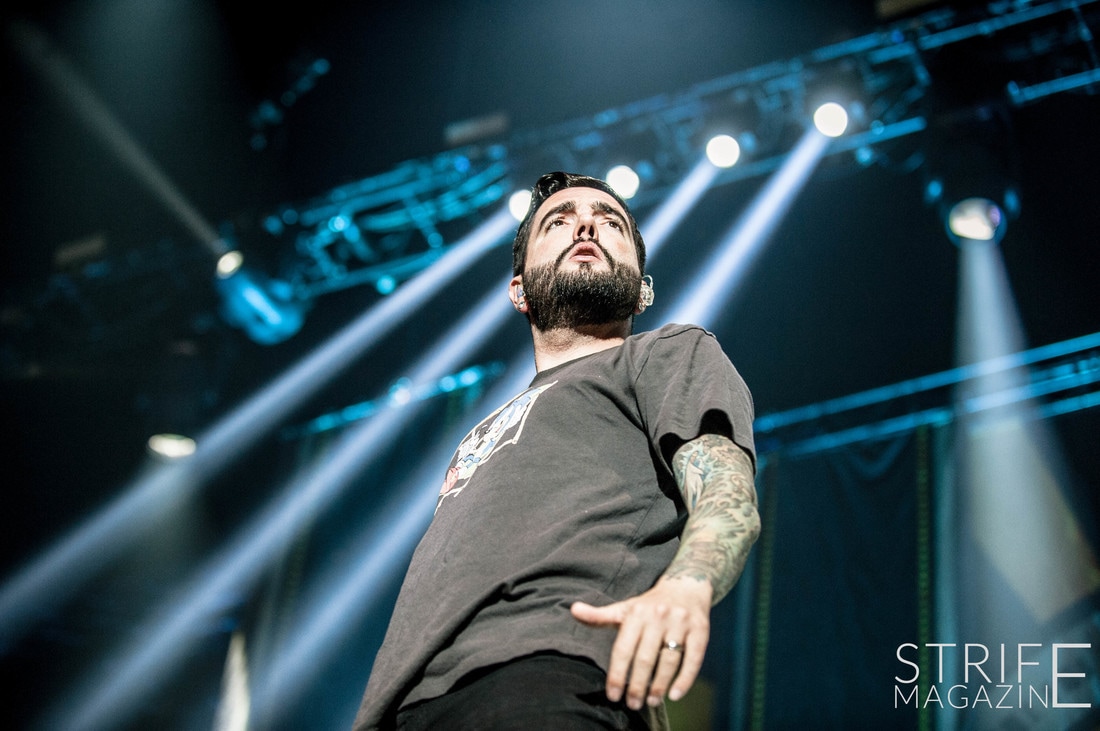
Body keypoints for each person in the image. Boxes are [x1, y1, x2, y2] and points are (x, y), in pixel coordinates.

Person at [352, 171, 760, 730]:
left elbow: (725, 488)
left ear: (643, 288)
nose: (586, 225)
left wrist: (688, 585)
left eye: (611, 223)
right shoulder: (479, 431)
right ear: (519, 290)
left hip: (550, 673)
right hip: (402, 707)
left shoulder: (666, 353)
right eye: (558, 222)